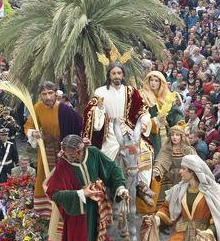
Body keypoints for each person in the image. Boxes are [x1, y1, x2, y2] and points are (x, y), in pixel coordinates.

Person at [45, 134, 131, 241]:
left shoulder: (93, 153)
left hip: (96, 206)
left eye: (73, 154)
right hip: (78, 212)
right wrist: (81, 193)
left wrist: (120, 188)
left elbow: (112, 169)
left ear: (80, 150)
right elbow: (54, 192)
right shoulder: (63, 165)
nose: (70, 158)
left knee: (97, 236)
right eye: (67, 155)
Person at [83, 63, 153, 208]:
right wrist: (99, 110)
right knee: (108, 152)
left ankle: (141, 186)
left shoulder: (130, 91)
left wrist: (144, 122)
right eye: (114, 73)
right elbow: (91, 111)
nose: (116, 76)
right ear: (109, 75)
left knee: (145, 150)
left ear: (123, 75)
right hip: (109, 129)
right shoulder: (100, 91)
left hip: (128, 127)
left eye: (119, 73)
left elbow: (142, 109)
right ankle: (103, 188)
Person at [24, 81, 82, 241]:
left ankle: (66, 219)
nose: (48, 97)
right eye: (44, 94)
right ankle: (51, 221)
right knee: (47, 183)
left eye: (50, 93)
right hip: (47, 152)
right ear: (40, 95)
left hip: (64, 153)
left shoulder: (65, 110)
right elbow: (29, 125)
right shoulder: (37, 108)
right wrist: (33, 132)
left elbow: (79, 125)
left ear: (56, 93)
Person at [139, 70, 184, 157]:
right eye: (151, 80)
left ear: (161, 83)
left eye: (156, 81)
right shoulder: (142, 96)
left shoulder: (167, 96)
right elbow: (140, 115)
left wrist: (179, 122)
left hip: (165, 132)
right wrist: (155, 121)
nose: (153, 83)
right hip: (149, 133)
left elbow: (174, 114)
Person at [152, 121, 197, 204]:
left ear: (181, 136)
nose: (174, 137)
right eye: (172, 135)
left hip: (183, 178)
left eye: (177, 135)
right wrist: (157, 170)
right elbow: (161, 161)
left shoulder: (188, 149)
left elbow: (195, 164)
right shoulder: (166, 149)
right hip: (169, 178)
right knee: (167, 203)